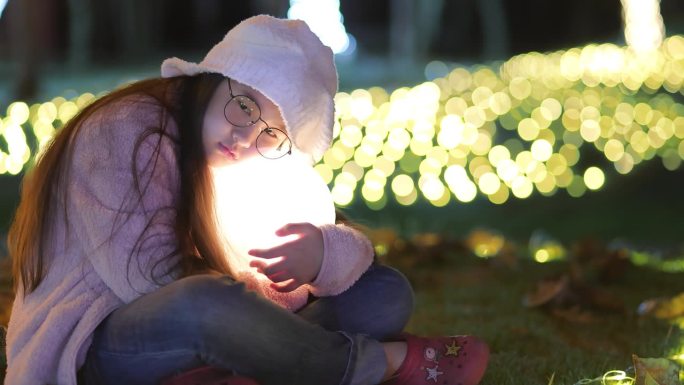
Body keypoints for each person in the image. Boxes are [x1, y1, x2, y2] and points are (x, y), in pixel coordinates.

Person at [4, 15, 489, 385]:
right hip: (101, 341)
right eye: (243, 106)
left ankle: (255, 364)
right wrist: (262, 298)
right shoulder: (126, 130)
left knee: (384, 294)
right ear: (213, 79)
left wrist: (319, 256)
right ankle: (379, 364)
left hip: (224, 322)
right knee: (206, 306)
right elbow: (145, 280)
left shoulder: (257, 166)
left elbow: (347, 259)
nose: (244, 136)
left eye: (270, 132)